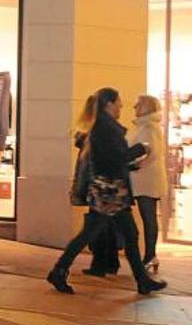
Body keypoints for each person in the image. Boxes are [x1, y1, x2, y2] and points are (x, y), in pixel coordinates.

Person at [46, 87, 166, 295]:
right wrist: (141, 149)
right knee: (111, 234)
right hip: (110, 191)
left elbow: (109, 159)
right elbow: (117, 157)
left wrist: (129, 166)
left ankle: (141, 280)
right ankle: (59, 270)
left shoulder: (103, 126)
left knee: (124, 234)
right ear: (109, 104)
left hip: (108, 189)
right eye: (118, 102)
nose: (122, 106)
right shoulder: (106, 128)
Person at [73, 96, 120, 277]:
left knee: (97, 228)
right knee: (107, 226)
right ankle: (109, 263)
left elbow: (90, 165)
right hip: (104, 186)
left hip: (99, 187)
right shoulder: (99, 131)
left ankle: (100, 264)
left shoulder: (91, 132)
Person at [129, 95, 167, 274]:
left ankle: (150, 255)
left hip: (147, 179)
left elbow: (151, 153)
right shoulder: (142, 126)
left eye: (139, 104)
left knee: (148, 217)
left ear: (146, 107)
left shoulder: (150, 128)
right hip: (141, 178)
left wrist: (135, 165)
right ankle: (149, 255)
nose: (135, 106)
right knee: (146, 217)